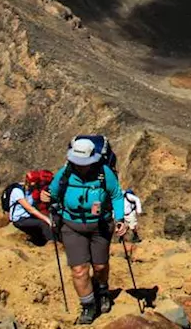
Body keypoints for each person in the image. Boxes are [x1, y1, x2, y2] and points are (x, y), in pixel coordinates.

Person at [49, 138, 127, 325]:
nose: (81, 167)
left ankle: (102, 290)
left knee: (100, 266)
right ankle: (88, 305)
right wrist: (49, 201)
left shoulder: (104, 173)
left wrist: (120, 218)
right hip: (71, 225)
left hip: (100, 225)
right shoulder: (65, 173)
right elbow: (52, 193)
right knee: (79, 270)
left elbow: (116, 195)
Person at [8, 170, 55, 246]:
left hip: (28, 216)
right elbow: (30, 209)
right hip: (19, 219)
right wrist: (46, 219)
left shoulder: (31, 190)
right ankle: (51, 243)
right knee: (43, 223)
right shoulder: (17, 191)